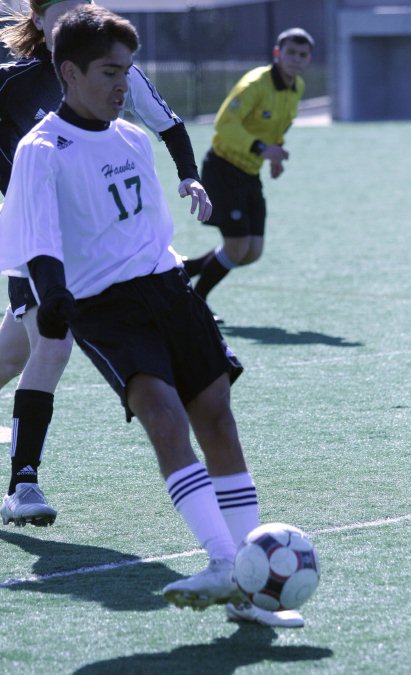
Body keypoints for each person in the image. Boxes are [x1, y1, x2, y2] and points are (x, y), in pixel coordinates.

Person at [0, 4, 305, 628]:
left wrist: (182, 269)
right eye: (110, 73)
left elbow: (144, 229)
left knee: (217, 417)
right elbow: (35, 235)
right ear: (69, 72)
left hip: (168, 290)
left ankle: (249, 586)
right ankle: (223, 560)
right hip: (106, 309)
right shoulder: (41, 148)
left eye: (128, 71)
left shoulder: (134, 138)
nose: (123, 86)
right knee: (163, 417)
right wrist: (54, 293)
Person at [0, 0, 210, 529]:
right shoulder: (10, 85)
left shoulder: (116, 72)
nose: (74, 16)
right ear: (41, 21)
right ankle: (24, 483)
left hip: (96, 251)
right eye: (62, 9)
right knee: (54, 343)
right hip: (38, 243)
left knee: (8, 360)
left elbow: (169, 125)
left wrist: (189, 174)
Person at [183, 27, 314, 322]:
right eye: (290, 52)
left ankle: (183, 272)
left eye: (302, 55)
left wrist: (275, 153)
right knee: (237, 246)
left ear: (308, 60)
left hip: (250, 172)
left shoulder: (297, 88)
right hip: (224, 168)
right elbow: (224, 125)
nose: (296, 59)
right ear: (277, 54)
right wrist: (261, 148)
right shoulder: (255, 84)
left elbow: (278, 125)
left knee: (252, 251)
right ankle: (195, 303)